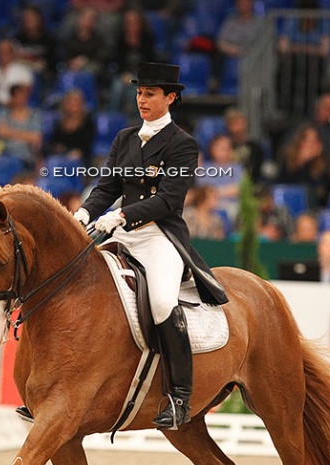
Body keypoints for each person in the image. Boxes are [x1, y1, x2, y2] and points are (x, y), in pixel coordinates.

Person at [73, 62, 229, 430]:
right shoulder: (125, 138)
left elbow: (169, 200)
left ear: (170, 98)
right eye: (139, 93)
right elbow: (107, 188)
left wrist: (121, 215)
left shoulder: (182, 144)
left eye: (151, 94)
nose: (142, 99)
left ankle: (179, 397)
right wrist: (83, 213)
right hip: (121, 231)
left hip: (159, 234)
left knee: (161, 301)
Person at [276, 124, 330, 210]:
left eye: (314, 141)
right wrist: (301, 162)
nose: (310, 144)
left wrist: (311, 162)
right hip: (289, 204)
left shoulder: (322, 161)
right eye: (307, 140)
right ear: (299, 141)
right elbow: (284, 181)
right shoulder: (288, 158)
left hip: (316, 206)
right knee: (305, 190)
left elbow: (325, 188)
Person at [196, 134, 245, 224]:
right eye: (221, 148)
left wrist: (214, 192)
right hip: (209, 206)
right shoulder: (204, 168)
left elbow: (238, 189)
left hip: (232, 206)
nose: (225, 151)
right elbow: (203, 191)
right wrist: (224, 191)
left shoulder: (237, 168)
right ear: (212, 149)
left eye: (228, 148)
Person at [0, 84, 43, 170]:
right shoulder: (4, 113)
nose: (20, 99)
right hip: (5, 153)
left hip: (26, 156)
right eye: (16, 96)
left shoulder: (34, 114)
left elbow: (36, 137)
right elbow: (0, 132)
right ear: (12, 97)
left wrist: (9, 132)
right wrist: (26, 135)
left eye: (22, 96)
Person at [43, 89, 95, 164]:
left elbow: (87, 145)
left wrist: (78, 152)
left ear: (81, 104)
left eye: (76, 103)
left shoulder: (88, 122)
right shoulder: (59, 122)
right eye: (70, 102)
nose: (73, 106)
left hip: (81, 159)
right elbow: (54, 142)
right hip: (61, 156)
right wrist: (57, 148)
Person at [0, 39, 34, 107]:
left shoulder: (24, 72)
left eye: (7, 51)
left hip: (16, 107)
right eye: (0, 52)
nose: (3, 54)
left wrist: (11, 103)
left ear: (13, 53)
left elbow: (26, 93)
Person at [225, 107, 264, 183]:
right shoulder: (222, 146)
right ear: (229, 126)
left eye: (241, 124)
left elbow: (254, 173)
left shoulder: (255, 148)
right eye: (234, 124)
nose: (238, 128)